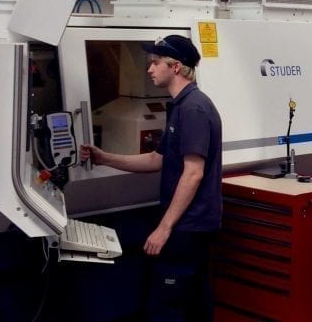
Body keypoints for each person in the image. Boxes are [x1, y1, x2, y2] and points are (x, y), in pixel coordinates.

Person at [80, 34, 223, 322]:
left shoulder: (193, 108)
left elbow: (193, 173)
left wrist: (164, 228)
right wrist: (105, 157)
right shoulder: (180, 107)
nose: (149, 69)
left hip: (188, 228)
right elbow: (156, 159)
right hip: (188, 225)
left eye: (156, 63)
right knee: (193, 303)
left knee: (168, 305)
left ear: (176, 67)